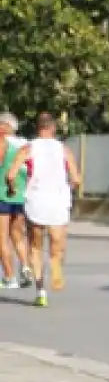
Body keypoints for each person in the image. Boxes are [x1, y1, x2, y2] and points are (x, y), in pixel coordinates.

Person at [12, 113, 81, 308]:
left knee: (35, 247)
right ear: (53, 129)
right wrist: (68, 188)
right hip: (58, 201)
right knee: (57, 244)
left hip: (36, 201)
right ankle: (56, 264)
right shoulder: (64, 150)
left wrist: (13, 187)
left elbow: (11, 175)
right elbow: (76, 179)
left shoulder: (28, 148)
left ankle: (41, 291)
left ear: (37, 128)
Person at [0, 113, 27, 289]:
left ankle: (9, 277)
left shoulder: (4, 142)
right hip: (21, 195)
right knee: (17, 236)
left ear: (6, 125)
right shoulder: (25, 144)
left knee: (2, 237)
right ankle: (26, 268)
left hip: (3, 193)